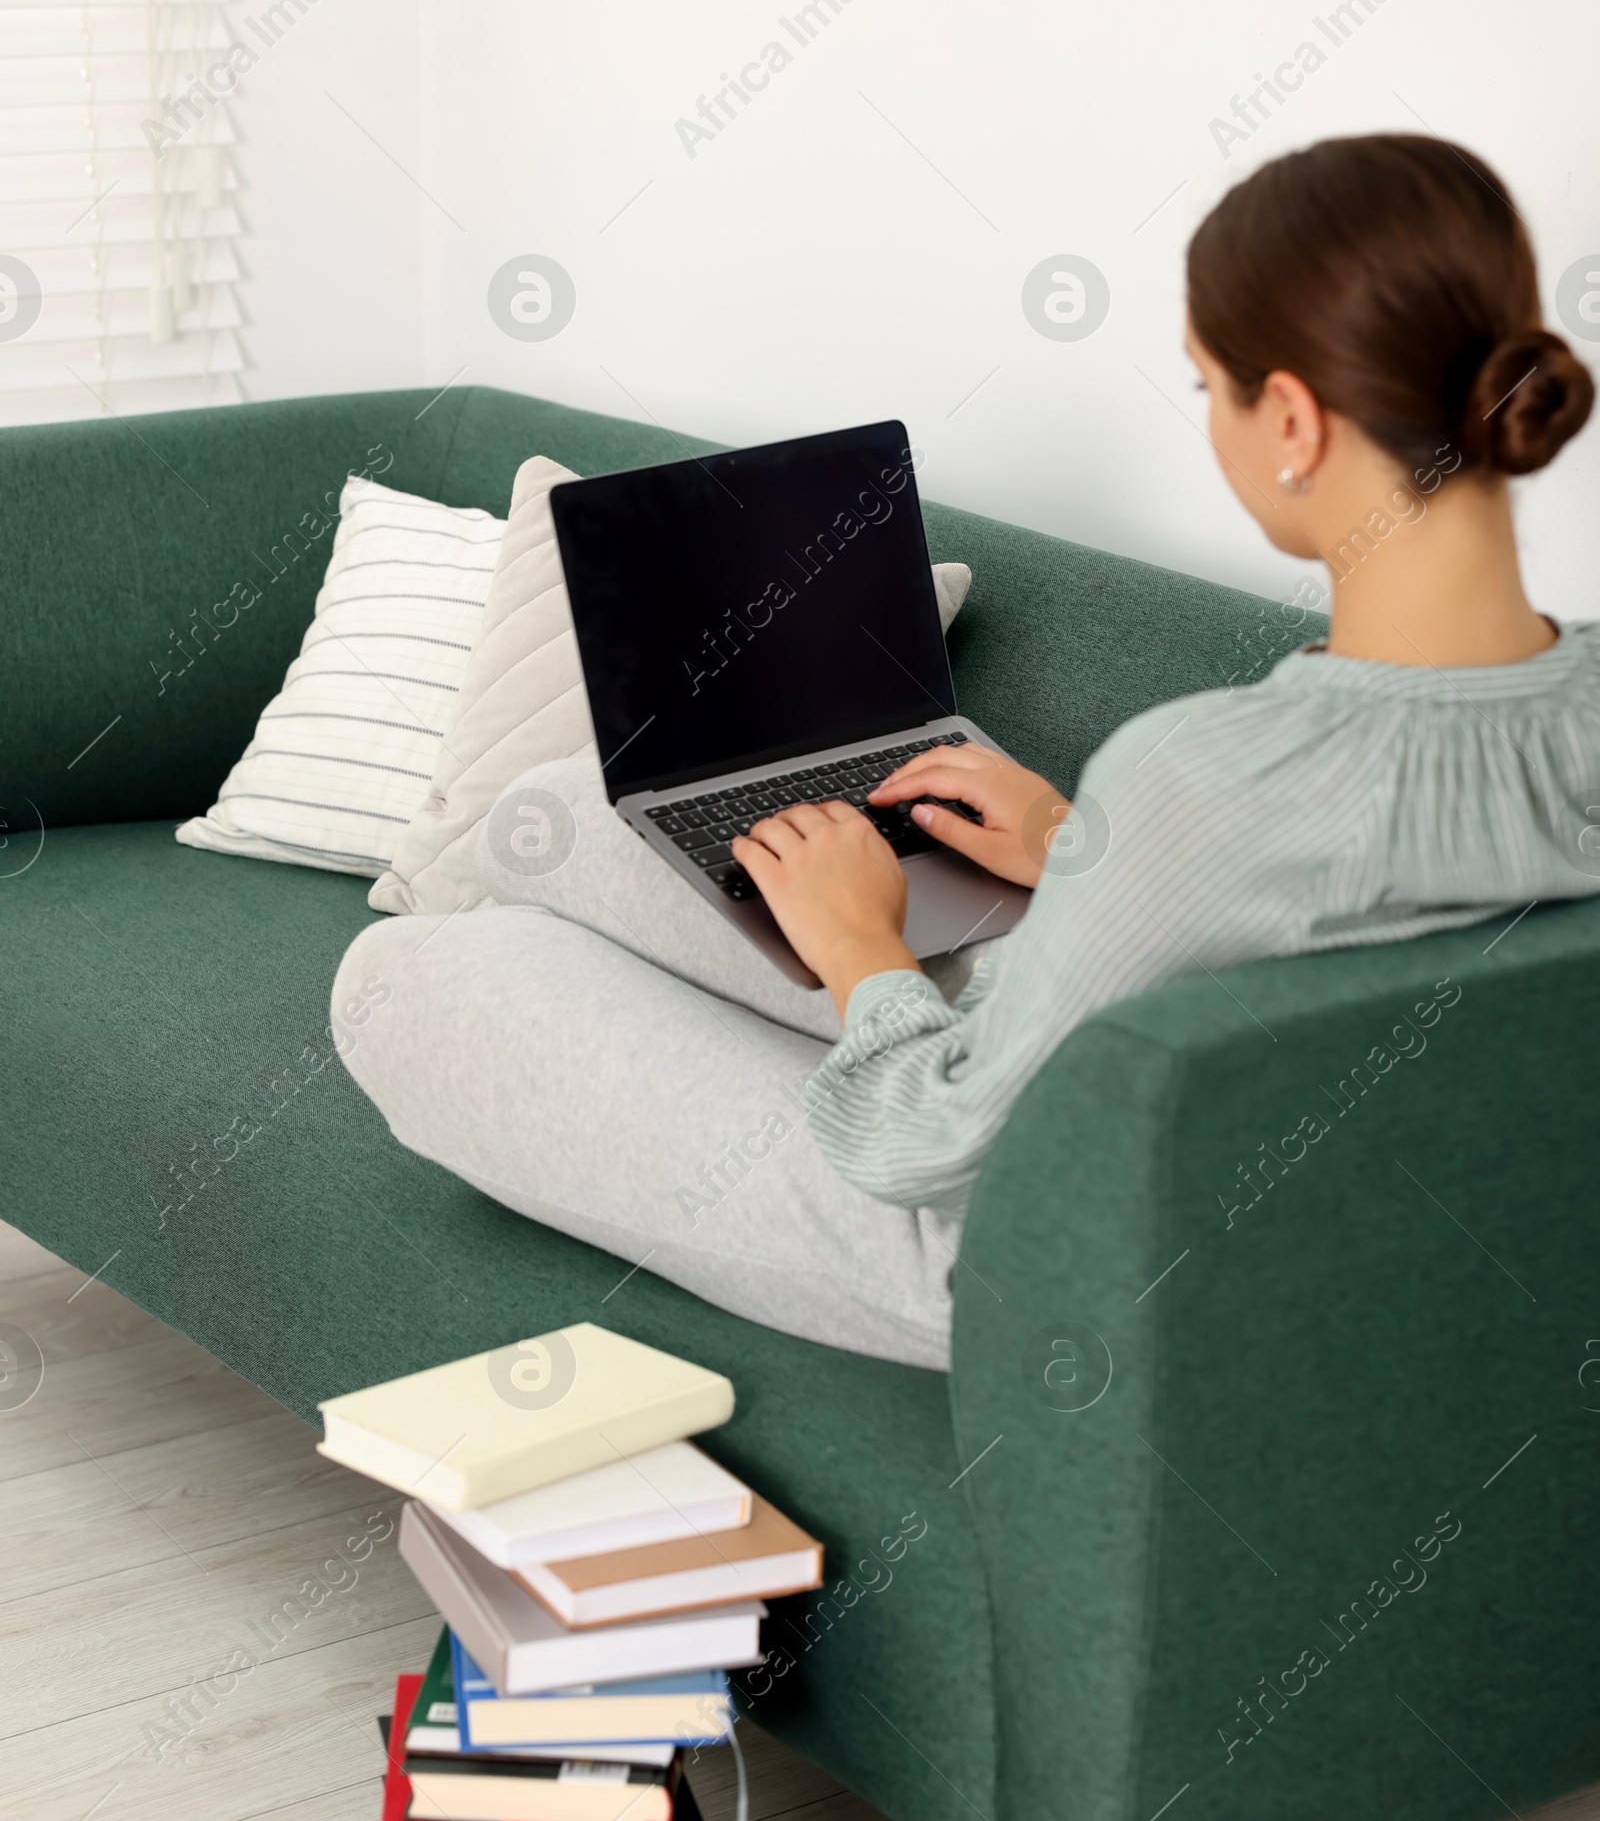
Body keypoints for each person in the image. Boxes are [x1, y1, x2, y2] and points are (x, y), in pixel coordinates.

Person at [334, 132, 1598, 1372]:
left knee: (403, 975)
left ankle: (516, 971)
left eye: (1207, 385)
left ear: (1291, 419)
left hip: (1043, 1250)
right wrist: (1087, 855)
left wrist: (862, 954)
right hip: (1213, 1130)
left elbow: (927, 1141)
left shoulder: (1208, 775)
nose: (1209, 420)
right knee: (559, 810)